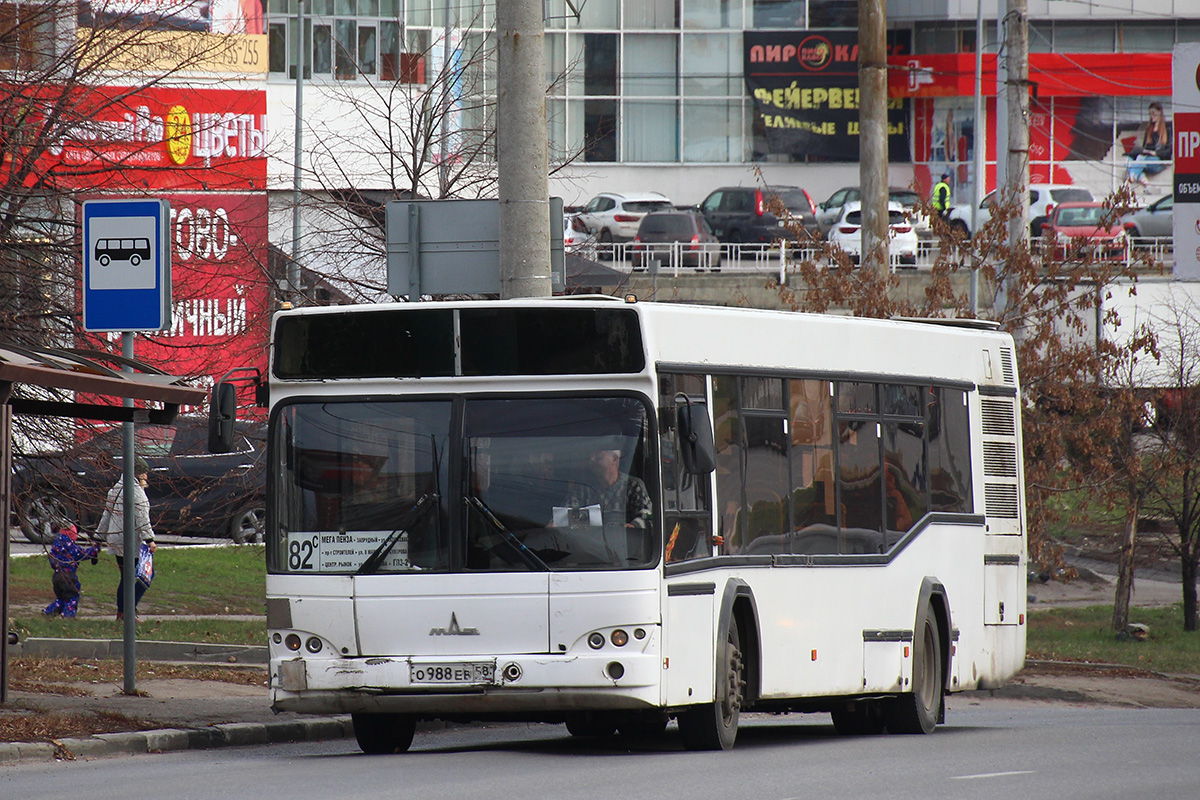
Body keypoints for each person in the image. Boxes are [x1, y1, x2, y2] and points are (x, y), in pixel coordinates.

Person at [560, 447, 652, 562]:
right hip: (588, 554)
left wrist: (632, 526)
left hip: (627, 556)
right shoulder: (583, 487)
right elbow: (566, 514)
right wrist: (558, 522)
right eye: (591, 457)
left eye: (599, 457)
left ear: (614, 459)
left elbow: (648, 517)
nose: (592, 460)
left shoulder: (633, 485)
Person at [99, 457, 157, 621]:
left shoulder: (115, 489)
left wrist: (99, 537)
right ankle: (129, 610)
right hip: (132, 542)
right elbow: (142, 519)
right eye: (144, 472)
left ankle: (122, 613)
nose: (146, 475)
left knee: (126, 577)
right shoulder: (136, 493)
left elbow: (106, 515)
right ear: (138, 473)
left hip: (116, 540)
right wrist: (150, 539)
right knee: (147, 574)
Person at [42, 523, 100, 618]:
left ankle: (49, 611)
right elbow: (84, 554)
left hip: (56, 576)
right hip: (68, 576)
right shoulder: (72, 548)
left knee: (61, 597)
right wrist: (95, 549)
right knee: (72, 596)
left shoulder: (55, 547)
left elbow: (51, 560)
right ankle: (68, 615)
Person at [1125, 102, 1171, 186]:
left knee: (1141, 158)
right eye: (1150, 114)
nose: (1151, 117)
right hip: (1148, 158)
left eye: (1154, 114)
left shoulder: (1168, 129)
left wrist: (1156, 153)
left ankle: (1131, 178)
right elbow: (1145, 147)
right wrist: (1145, 151)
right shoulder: (1149, 129)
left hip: (1160, 162)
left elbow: (1169, 151)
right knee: (1128, 160)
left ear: (1160, 113)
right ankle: (1143, 179)